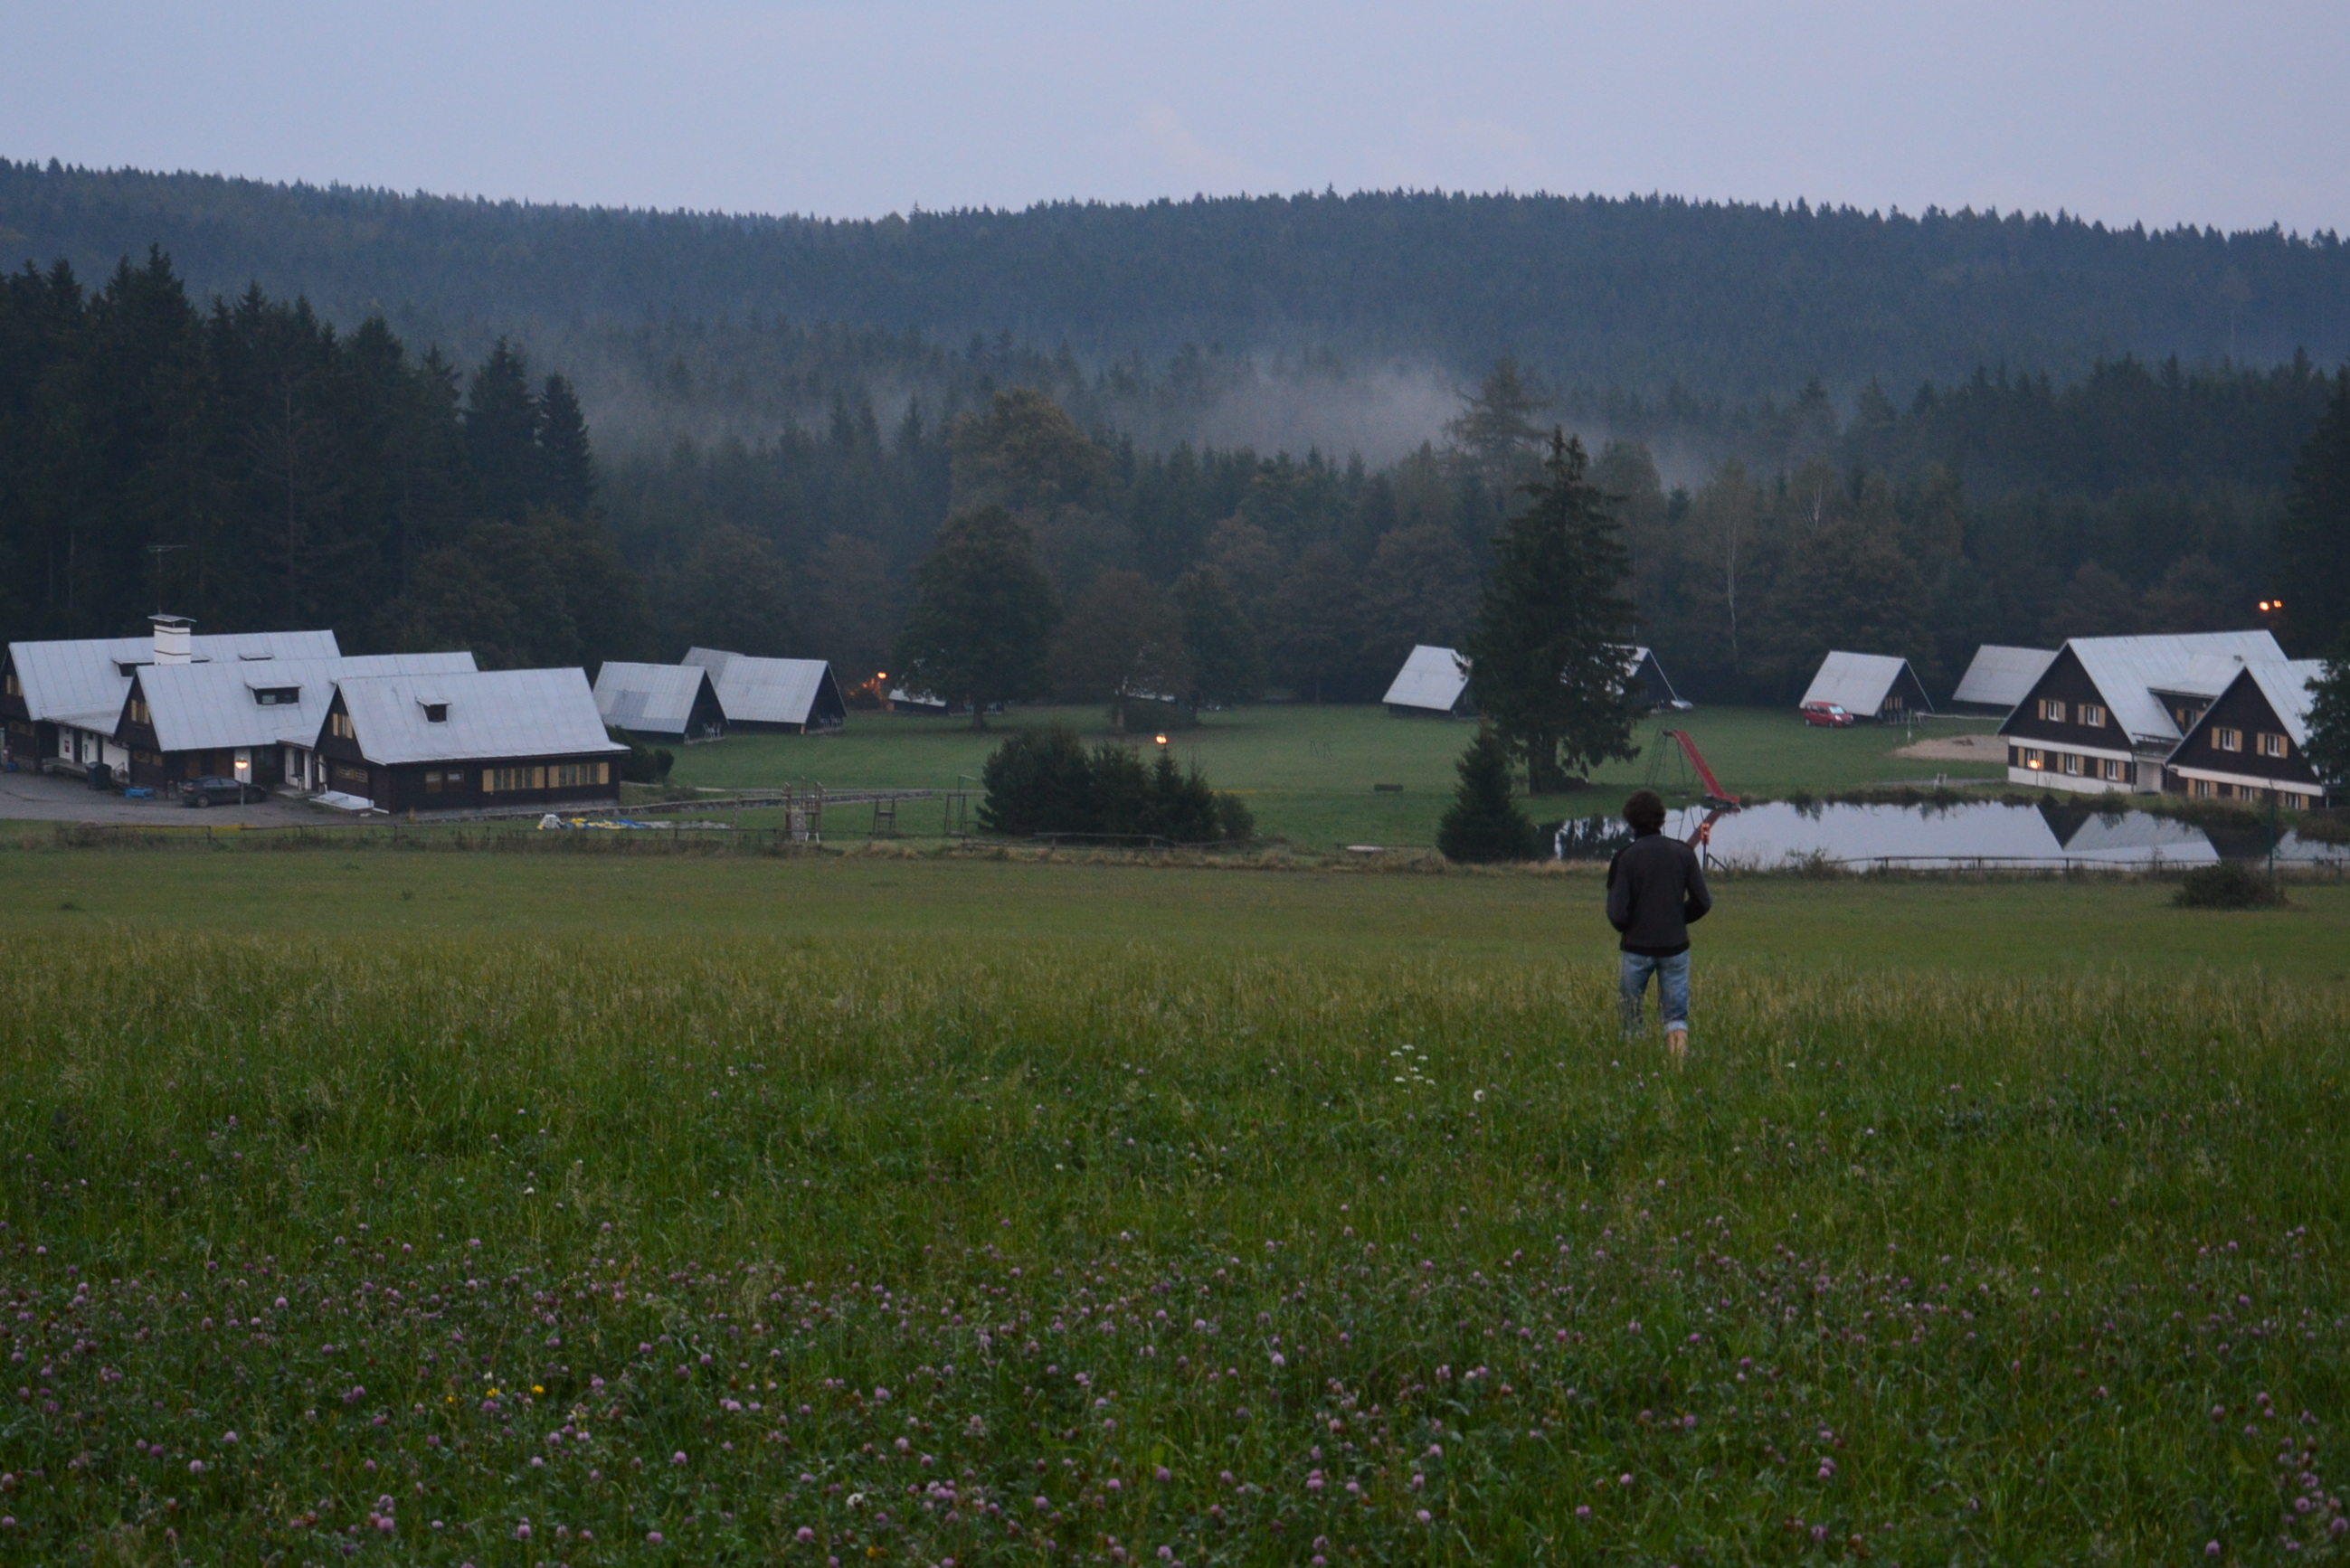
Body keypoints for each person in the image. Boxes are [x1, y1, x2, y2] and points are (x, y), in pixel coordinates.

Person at [1605, 789, 1712, 1063]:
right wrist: (1676, 916)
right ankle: (1677, 1068)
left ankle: (1633, 1067)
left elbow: (1617, 914)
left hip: (1637, 949)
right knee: (1676, 1016)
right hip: (1675, 947)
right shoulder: (1684, 854)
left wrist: (1634, 924)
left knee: (1631, 1014)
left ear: (1630, 821)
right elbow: (1703, 901)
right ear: (1662, 819)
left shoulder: (1625, 858)